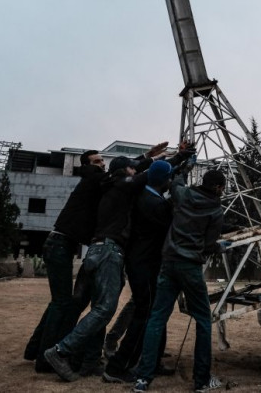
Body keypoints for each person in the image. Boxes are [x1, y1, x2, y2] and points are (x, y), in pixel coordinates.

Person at [44, 147, 191, 382]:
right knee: (104, 309)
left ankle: (86, 361)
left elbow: (147, 173)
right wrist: (177, 161)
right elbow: (151, 175)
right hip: (109, 251)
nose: (135, 171)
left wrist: (166, 161)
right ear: (124, 172)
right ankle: (60, 351)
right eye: (132, 168)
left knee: (94, 306)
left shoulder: (115, 189)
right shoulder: (120, 185)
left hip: (99, 250)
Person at [132, 168, 227, 393]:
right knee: (203, 319)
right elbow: (208, 244)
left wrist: (183, 167)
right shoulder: (215, 210)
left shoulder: (182, 195)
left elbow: (176, 182)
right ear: (219, 187)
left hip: (169, 263)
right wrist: (219, 247)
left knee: (156, 318)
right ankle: (201, 380)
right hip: (190, 266)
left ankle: (143, 378)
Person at [103, 160, 177, 384]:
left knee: (155, 311)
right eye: (170, 178)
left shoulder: (145, 197)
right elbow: (174, 222)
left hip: (142, 264)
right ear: (164, 180)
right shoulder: (153, 203)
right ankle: (118, 367)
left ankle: (152, 361)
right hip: (144, 265)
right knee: (145, 314)